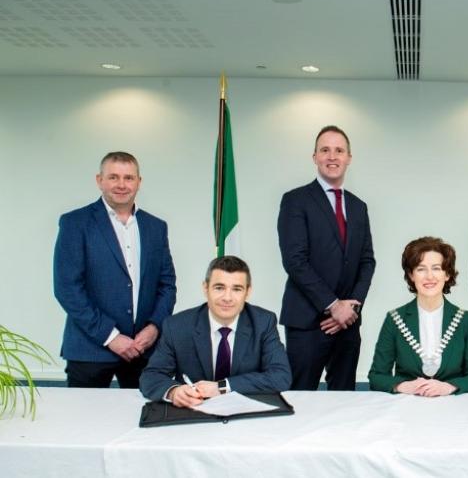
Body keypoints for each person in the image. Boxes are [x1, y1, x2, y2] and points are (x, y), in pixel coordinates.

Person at [53, 151, 176, 388]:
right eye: (113, 177)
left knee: (145, 419)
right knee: (83, 423)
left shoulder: (156, 227)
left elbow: (166, 284)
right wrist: (112, 337)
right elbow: (67, 288)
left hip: (144, 349)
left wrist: (154, 327)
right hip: (90, 349)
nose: (122, 184)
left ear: (139, 182)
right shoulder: (75, 223)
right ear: (99, 180)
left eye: (129, 178)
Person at [277, 125, 376, 390]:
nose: (332, 156)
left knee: (344, 400)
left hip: (348, 324)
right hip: (307, 322)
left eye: (339, 150)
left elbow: (367, 261)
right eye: (325, 150)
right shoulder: (295, 200)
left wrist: (351, 308)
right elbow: (295, 261)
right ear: (315, 157)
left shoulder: (358, 207)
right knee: (300, 397)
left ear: (349, 158)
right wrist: (333, 306)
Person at [140, 256, 291, 406]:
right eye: (219, 288)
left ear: (248, 292)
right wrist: (173, 392)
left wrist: (223, 387)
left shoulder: (263, 322)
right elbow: (151, 376)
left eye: (237, 289)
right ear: (205, 288)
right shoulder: (177, 326)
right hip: (193, 413)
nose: (227, 298)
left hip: (245, 413)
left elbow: (281, 377)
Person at [369, 237, 468, 395]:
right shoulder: (395, 319)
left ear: (447, 275)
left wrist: (449, 387)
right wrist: (403, 386)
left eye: (437, 268)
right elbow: (377, 376)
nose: (429, 276)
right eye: (421, 269)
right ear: (411, 275)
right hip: (406, 405)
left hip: (453, 406)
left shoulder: (466, 320)